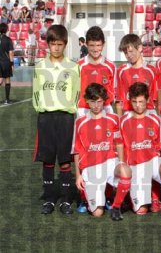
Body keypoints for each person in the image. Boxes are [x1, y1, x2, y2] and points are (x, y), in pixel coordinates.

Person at [32, 24, 80, 215]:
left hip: (65, 118)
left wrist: (70, 108)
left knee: (66, 160)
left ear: (65, 44)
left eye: (60, 44)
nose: (56, 48)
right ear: (48, 44)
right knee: (48, 160)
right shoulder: (41, 66)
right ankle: (50, 198)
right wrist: (40, 108)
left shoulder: (73, 67)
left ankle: (66, 200)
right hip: (46, 118)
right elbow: (36, 91)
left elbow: (76, 92)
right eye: (53, 44)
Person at [72, 83, 132, 221]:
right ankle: (92, 197)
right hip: (90, 166)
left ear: (104, 101)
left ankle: (116, 207)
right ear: (86, 100)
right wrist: (78, 175)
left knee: (126, 171)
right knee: (97, 213)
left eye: (99, 101)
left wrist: (121, 163)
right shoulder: (80, 122)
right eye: (93, 101)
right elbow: (76, 150)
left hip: (110, 162)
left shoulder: (113, 118)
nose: (96, 105)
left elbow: (119, 143)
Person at [120, 82, 161, 220]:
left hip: (152, 162)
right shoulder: (123, 120)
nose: (138, 105)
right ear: (130, 101)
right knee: (141, 211)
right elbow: (120, 148)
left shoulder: (157, 120)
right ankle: (131, 196)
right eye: (134, 102)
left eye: (141, 101)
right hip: (135, 165)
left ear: (147, 100)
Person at [77, 26, 116, 116]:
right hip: (84, 109)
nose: (95, 49)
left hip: (105, 108)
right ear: (86, 44)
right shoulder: (79, 66)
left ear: (103, 44)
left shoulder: (110, 66)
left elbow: (113, 90)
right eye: (92, 45)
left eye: (98, 45)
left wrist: (106, 103)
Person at [115, 33, 158, 116]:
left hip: (148, 112)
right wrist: (120, 120)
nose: (129, 55)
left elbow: (155, 99)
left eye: (131, 51)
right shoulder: (121, 70)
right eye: (126, 53)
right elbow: (119, 100)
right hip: (129, 113)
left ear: (140, 48)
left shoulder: (152, 70)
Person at [0, 23, 14, 104]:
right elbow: (11, 53)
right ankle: (7, 100)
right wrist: (11, 64)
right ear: (6, 29)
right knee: (7, 79)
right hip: (5, 62)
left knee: (0, 79)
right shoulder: (8, 39)